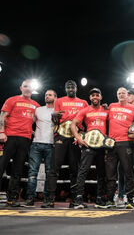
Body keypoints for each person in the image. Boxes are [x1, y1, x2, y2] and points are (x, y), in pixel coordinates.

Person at [43, 80, 88, 208]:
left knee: (75, 170)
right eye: (68, 87)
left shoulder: (83, 102)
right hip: (61, 136)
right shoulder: (59, 101)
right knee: (54, 168)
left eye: (72, 86)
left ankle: (74, 200)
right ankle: (49, 198)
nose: (70, 88)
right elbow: (55, 119)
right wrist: (54, 115)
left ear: (76, 88)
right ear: (65, 89)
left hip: (75, 137)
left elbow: (87, 119)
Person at [0, 79, 40, 206]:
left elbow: (38, 119)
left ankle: (12, 198)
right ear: (21, 88)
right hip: (9, 137)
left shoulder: (36, 105)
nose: (28, 89)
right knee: (1, 166)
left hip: (25, 139)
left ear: (33, 90)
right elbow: (3, 116)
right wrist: (1, 132)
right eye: (25, 86)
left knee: (18, 170)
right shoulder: (12, 100)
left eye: (30, 87)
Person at [71, 88, 108, 209]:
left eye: (97, 95)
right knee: (83, 171)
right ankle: (78, 199)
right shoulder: (85, 110)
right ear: (90, 98)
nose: (95, 97)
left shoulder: (107, 110)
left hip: (102, 145)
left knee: (101, 173)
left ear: (101, 97)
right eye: (92, 95)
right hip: (88, 144)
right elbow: (73, 124)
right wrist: (78, 138)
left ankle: (99, 199)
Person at [105, 87, 134, 209]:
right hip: (112, 144)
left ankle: (130, 199)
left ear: (127, 95)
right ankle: (109, 199)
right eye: (119, 93)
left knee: (128, 172)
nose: (121, 95)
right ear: (117, 95)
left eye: (123, 93)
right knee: (110, 173)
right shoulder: (112, 106)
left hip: (126, 143)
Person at [23, 90, 57, 207]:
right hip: (36, 143)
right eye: (46, 94)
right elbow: (28, 122)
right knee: (32, 172)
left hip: (51, 144)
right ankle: (30, 198)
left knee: (49, 173)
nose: (47, 96)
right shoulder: (38, 109)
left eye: (50, 95)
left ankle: (47, 199)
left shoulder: (58, 111)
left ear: (55, 97)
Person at [116, 89, 134, 207]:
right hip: (124, 143)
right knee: (121, 170)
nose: (127, 96)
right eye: (125, 94)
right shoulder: (119, 107)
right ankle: (121, 196)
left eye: (130, 95)